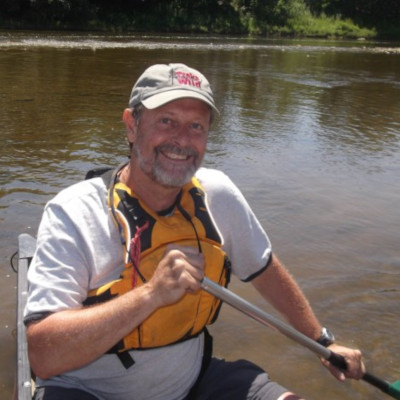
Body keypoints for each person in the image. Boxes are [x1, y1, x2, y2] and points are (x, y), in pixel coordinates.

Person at [25, 63, 365, 400]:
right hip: (89, 392)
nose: (182, 140)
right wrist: (150, 295)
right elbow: (43, 356)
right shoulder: (73, 211)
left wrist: (322, 341)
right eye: (167, 121)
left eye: (196, 126)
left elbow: (265, 271)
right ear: (131, 125)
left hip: (193, 384)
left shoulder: (217, 194)